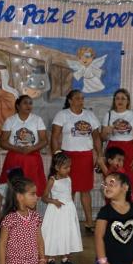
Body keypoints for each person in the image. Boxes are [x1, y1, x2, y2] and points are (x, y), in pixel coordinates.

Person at [51, 90, 102, 233]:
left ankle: (89, 222)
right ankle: (69, 222)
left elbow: (97, 137)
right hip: (68, 156)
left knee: (85, 190)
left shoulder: (90, 115)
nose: (81, 101)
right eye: (77, 98)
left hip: (85, 156)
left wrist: (99, 155)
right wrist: (57, 155)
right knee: (69, 191)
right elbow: (54, 136)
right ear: (70, 100)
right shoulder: (62, 115)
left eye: (82, 98)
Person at [0, 94, 48, 196]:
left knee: (31, 189)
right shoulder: (10, 120)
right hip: (14, 158)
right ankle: (13, 211)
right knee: (14, 190)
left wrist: (32, 148)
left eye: (30, 103)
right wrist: (17, 149)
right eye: (25, 103)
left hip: (33, 158)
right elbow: (2, 142)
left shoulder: (37, 119)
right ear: (18, 106)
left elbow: (44, 140)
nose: (28, 105)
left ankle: (31, 212)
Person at [99, 89, 133, 203]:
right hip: (113, 149)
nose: (120, 101)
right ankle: (112, 211)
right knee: (112, 180)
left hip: (129, 149)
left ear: (128, 101)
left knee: (130, 181)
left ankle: (132, 211)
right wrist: (106, 131)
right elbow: (102, 138)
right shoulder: (108, 115)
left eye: (123, 98)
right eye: (117, 98)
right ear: (114, 100)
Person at [41, 151, 82, 264]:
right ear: (57, 167)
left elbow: (69, 194)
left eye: (69, 167)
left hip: (68, 210)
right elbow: (44, 197)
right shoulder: (52, 180)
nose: (68, 169)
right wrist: (54, 201)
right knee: (55, 233)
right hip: (56, 210)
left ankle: (65, 259)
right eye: (65, 167)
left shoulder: (68, 178)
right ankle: (51, 259)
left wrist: (71, 207)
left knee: (67, 233)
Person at [0, 167, 24, 244]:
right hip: (3, 211)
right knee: (2, 235)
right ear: (8, 181)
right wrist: (0, 219)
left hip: (16, 211)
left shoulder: (23, 189)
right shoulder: (2, 188)